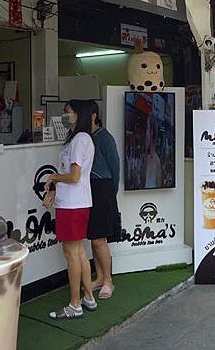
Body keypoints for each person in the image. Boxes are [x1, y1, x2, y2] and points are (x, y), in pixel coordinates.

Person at [45, 100, 97, 320]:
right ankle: (88, 297)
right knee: (80, 252)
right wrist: (56, 190)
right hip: (78, 202)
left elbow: (74, 176)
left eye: (68, 112)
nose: (65, 116)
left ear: (79, 114)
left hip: (72, 205)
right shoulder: (82, 139)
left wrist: (54, 178)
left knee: (71, 254)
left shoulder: (79, 140)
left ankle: (75, 304)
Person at [87, 100, 121, 300]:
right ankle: (99, 277)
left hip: (103, 188)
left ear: (92, 115)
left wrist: (112, 191)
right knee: (94, 237)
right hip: (89, 189)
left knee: (99, 239)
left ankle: (108, 280)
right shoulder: (85, 137)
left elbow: (115, 165)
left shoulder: (104, 137)